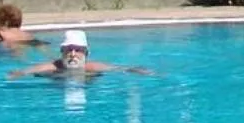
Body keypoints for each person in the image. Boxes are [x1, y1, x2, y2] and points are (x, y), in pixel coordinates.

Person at [10, 29, 150, 80]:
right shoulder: (53, 66)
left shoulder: (93, 67)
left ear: (86, 53)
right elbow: (23, 72)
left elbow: (121, 69)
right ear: (62, 52)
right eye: (69, 49)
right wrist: (17, 74)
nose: (72, 54)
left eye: (77, 50)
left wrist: (138, 70)